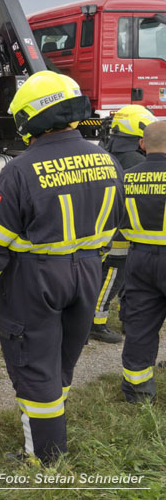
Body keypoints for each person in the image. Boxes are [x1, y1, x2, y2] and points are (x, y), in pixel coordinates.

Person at [0, 70, 124, 464]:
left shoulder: (20, 170)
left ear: (28, 119)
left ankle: (45, 460)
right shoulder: (107, 161)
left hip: (35, 278)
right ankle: (49, 424)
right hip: (88, 270)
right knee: (61, 357)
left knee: (34, 363)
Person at [91, 105, 158, 343]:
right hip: (121, 231)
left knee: (109, 273)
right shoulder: (133, 159)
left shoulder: (105, 151)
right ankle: (96, 322)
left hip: (102, 225)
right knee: (114, 275)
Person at [117, 120, 166, 403]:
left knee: (140, 326)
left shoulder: (127, 177)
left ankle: (138, 392)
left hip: (140, 260)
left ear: (142, 144)